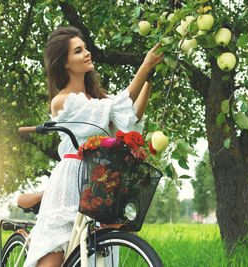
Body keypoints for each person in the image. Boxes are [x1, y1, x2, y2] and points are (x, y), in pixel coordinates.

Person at [22, 26, 164, 267]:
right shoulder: (63, 102)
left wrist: (150, 80)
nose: (87, 53)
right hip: (69, 184)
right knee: (53, 258)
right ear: (64, 63)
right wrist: (144, 67)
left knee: (97, 255)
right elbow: (119, 105)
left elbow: (130, 117)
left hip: (97, 182)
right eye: (78, 51)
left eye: (85, 48)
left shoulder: (100, 100)